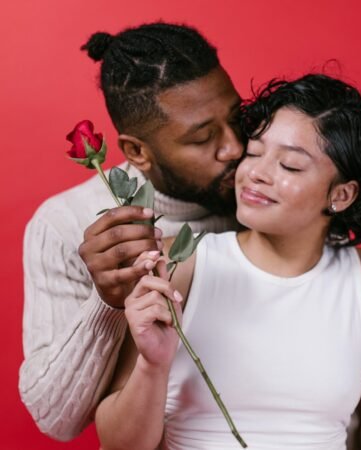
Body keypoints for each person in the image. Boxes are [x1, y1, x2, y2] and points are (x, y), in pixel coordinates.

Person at [95, 74, 361, 449]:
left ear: (341, 194)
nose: (255, 174)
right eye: (255, 152)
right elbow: (118, 445)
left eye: (290, 166)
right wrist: (153, 364)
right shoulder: (177, 265)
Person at [19, 22, 243, 441]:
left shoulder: (262, 197)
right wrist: (108, 304)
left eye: (237, 118)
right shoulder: (65, 223)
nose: (234, 147)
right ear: (138, 151)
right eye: (203, 138)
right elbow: (56, 422)